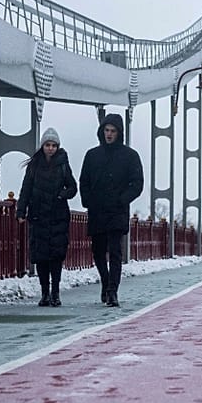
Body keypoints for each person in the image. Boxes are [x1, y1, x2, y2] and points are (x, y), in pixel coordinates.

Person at [78, 113, 144, 308]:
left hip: (117, 210)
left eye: (113, 131)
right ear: (101, 131)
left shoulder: (130, 156)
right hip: (97, 209)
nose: (109, 134)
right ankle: (105, 282)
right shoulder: (92, 155)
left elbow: (137, 183)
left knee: (115, 251)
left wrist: (122, 200)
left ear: (119, 133)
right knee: (98, 251)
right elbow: (84, 181)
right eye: (106, 130)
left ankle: (112, 291)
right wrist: (87, 200)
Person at [16, 128, 77, 307]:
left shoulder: (63, 164)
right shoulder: (34, 165)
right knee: (42, 257)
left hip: (58, 216)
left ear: (58, 147)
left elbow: (73, 187)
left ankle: (55, 293)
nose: (50, 148)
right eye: (47, 145)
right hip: (38, 215)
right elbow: (26, 188)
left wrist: (62, 195)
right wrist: (21, 211)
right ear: (42, 146)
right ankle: (44, 293)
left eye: (53, 145)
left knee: (56, 257)